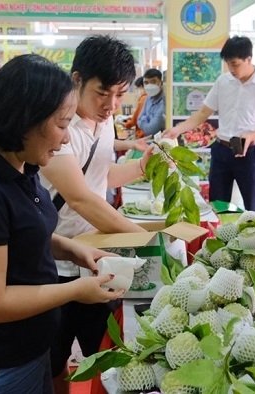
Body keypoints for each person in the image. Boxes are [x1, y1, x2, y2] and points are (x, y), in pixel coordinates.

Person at [0, 54, 124, 393]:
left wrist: (73, 250)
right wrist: (76, 290)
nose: (66, 139)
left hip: (30, 347)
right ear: (25, 120)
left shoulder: (20, 166)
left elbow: (24, 233)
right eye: (62, 125)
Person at [37, 35, 149, 394]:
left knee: (102, 354)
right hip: (55, 265)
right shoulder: (60, 129)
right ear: (76, 80)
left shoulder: (104, 125)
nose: (111, 105)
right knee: (53, 358)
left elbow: (102, 179)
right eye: (103, 93)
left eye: (120, 94)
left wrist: (142, 167)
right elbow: (81, 198)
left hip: (96, 260)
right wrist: (145, 240)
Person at [165, 36, 255, 213]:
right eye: (228, 64)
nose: (231, 69)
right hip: (221, 151)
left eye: (235, 64)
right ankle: (216, 239)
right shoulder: (223, 82)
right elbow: (204, 113)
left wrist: (253, 136)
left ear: (248, 59)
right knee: (217, 206)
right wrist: (176, 130)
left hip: (248, 154)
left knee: (253, 208)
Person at [136, 68, 166, 136]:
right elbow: (138, 120)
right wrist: (145, 121)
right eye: (146, 83)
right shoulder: (148, 98)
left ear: (160, 83)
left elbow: (151, 130)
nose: (149, 86)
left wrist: (144, 119)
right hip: (147, 140)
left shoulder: (164, 103)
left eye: (153, 82)